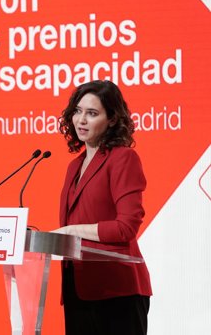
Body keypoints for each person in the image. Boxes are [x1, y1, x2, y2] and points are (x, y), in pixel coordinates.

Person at [53, 80, 152, 335]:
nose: (81, 120)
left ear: (112, 119)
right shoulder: (74, 167)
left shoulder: (123, 158)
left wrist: (71, 231)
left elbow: (125, 227)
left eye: (92, 113)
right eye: (78, 111)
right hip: (77, 289)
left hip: (117, 291)